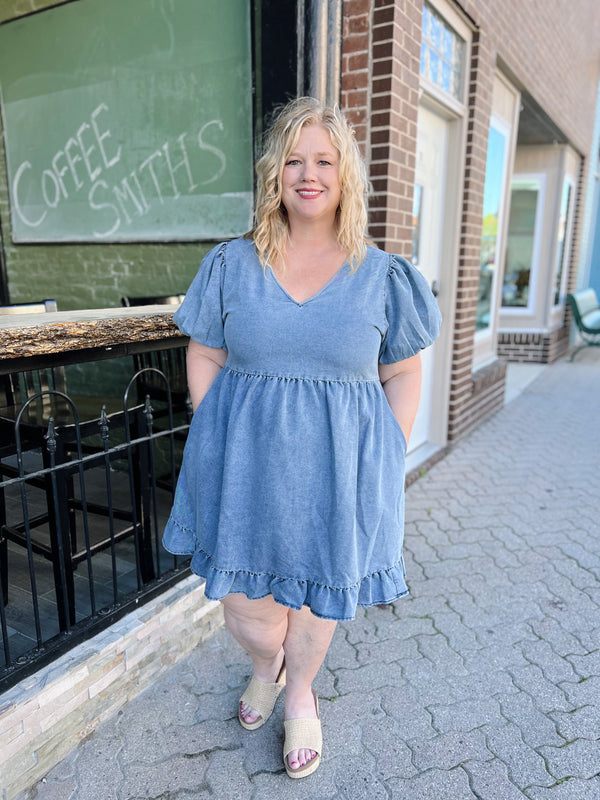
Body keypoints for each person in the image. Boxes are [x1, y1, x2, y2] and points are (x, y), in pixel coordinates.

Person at [162, 96, 441, 779]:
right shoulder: (232, 264)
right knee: (248, 612)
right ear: (274, 175)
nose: (307, 173)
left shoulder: (383, 275)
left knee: (318, 599)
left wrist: (385, 449)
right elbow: (204, 352)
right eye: (293, 160)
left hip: (338, 472)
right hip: (244, 469)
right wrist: (213, 428)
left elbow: (405, 370)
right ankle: (266, 664)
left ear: (345, 176)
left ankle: (302, 695)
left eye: (323, 160)